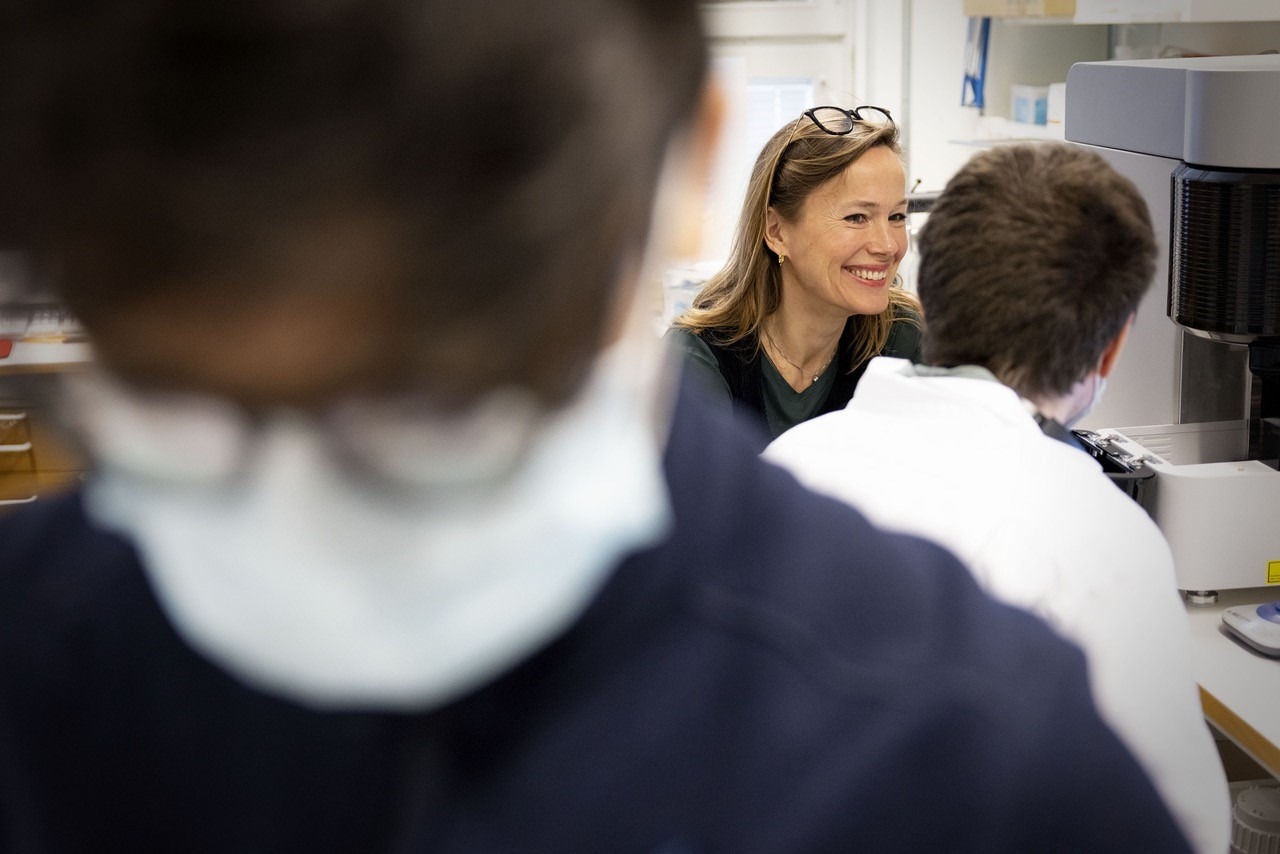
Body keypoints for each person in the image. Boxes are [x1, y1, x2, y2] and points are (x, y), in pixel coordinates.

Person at [0, 3, 1194, 851]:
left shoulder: (980, 763)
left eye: (444, 399)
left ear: (685, 168)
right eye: (192, 403)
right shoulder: (35, 657)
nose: (324, 500)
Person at [765, 142, 1230, 854]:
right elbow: (1180, 829)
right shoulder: (1100, 538)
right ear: (1111, 348)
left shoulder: (788, 464)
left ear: (931, 301)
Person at [667, 107, 922, 448]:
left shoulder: (902, 338)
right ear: (776, 231)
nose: (888, 246)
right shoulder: (698, 358)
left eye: (897, 216)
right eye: (857, 217)